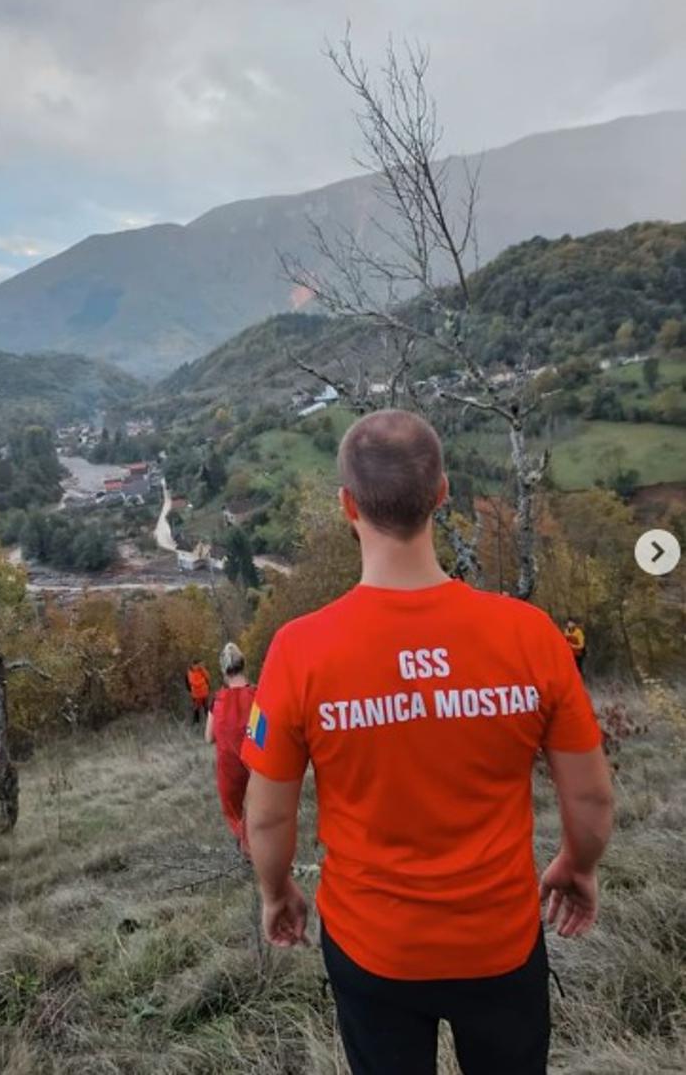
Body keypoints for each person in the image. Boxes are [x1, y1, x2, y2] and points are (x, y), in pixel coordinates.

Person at [241, 409, 614, 1075]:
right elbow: (588, 796)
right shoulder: (528, 635)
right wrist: (577, 866)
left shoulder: (299, 651)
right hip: (499, 944)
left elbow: (267, 813)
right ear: (443, 494)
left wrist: (276, 892)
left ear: (345, 505)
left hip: (371, 948)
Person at [204, 642, 255, 851]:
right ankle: (261, 848)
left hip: (229, 768)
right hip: (256, 765)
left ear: (224, 671)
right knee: (259, 806)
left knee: (235, 811)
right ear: (243, 665)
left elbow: (209, 737)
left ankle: (245, 848)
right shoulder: (259, 694)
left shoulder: (217, 700)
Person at [186, 660, 211, 724]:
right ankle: (196, 724)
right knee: (196, 709)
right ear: (194, 665)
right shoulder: (190, 672)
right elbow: (193, 683)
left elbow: (208, 678)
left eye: (201, 665)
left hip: (204, 693)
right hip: (196, 695)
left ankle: (209, 723)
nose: (200, 666)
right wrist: (203, 680)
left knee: (206, 708)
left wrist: (203, 670)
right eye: (199, 665)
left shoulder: (202, 670)